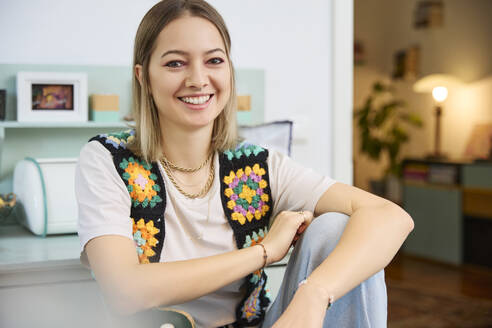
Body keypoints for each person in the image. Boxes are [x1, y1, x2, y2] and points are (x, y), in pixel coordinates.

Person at [75, 1, 414, 327]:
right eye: (175, 63)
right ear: (144, 77)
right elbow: (124, 291)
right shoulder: (107, 159)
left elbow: (391, 217)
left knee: (336, 229)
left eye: (214, 60)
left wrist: (314, 295)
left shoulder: (257, 165)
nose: (197, 79)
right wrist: (263, 251)